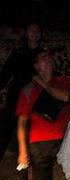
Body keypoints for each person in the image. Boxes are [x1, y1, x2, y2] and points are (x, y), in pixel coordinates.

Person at [15, 50, 70, 180]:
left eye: (50, 58)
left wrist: (44, 84)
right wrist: (22, 151)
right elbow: (22, 122)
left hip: (63, 142)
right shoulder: (28, 90)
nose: (48, 61)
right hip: (38, 144)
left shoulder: (63, 81)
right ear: (36, 66)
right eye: (43, 59)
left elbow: (66, 97)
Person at [0, 22, 43, 162]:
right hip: (16, 95)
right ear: (27, 33)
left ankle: (27, 163)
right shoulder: (18, 53)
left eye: (37, 30)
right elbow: (6, 73)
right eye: (31, 30)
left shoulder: (43, 55)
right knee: (7, 126)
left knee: (30, 129)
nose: (34, 33)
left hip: (34, 97)